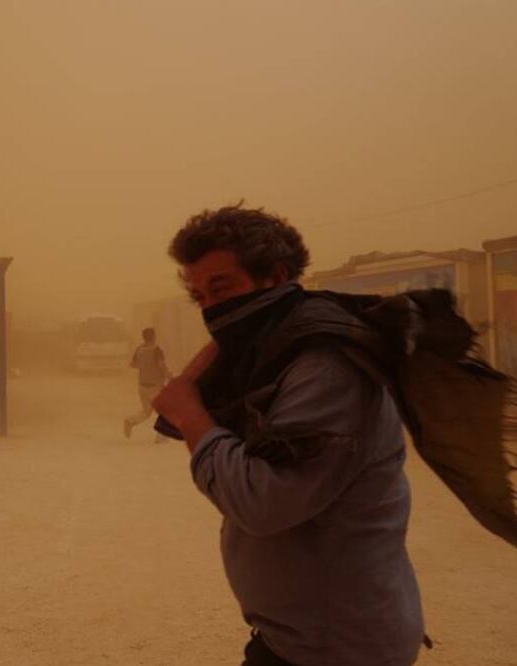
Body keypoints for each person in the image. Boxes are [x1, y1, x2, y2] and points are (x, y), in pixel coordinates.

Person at [152, 204, 425, 666]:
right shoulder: (278, 356)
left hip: (339, 651)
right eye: (200, 298)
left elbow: (265, 501)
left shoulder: (326, 368)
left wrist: (192, 415)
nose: (214, 311)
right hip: (299, 643)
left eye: (223, 288)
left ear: (276, 277)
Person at [123, 327, 171, 442]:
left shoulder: (140, 349)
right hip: (156, 386)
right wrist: (170, 376)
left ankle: (130, 421)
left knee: (146, 411)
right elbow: (161, 366)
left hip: (142, 386)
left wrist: (145, 366)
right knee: (164, 410)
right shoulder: (157, 350)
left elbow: (132, 364)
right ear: (154, 336)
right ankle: (161, 437)